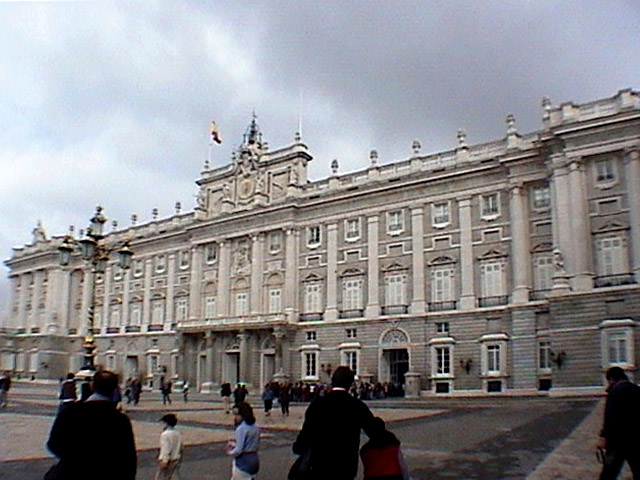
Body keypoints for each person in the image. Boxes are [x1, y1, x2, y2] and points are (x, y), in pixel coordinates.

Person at [47, 370, 137, 480]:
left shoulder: (71, 412)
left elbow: (54, 444)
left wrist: (74, 459)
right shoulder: (120, 420)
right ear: (115, 390)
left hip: (72, 473)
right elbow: (128, 458)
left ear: (91, 386)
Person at [293, 366, 375, 480]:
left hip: (320, 464)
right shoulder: (357, 405)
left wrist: (298, 447)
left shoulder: (317, 404)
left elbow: (307, 432)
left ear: (332, 382)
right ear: (350, 384)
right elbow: (374, 431)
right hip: (346, 466)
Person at [597, 366, 640, 480]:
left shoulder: (614, 392)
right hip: (636, 439)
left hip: (617, 441)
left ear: (611, 379)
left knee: (609, 473)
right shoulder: (636, 389)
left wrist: (604, 437)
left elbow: (610, 417)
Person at [226, 402, 260, 480]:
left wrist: (230, 452)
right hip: (254, 459)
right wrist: (234, 444)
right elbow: (251, 443)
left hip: (243, 460)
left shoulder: (241, 428)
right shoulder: (256, 426)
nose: (235, 418)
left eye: (236, 415)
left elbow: (239, 450)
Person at [156, 413, 182, 480]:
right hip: (176, 459)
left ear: (166, 423)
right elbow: (181, 447)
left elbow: (166, 449)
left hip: (168, 460)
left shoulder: (165, 435)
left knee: (162, 477)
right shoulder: (177, 433)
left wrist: (165, 461)